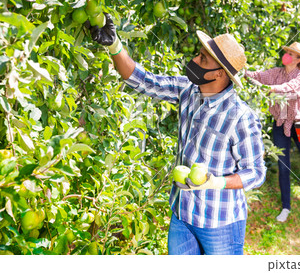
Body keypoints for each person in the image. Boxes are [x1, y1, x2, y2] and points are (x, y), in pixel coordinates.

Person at [85, 14, 266, 254]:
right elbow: (142, 80)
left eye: (202, 58)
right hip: (183, 213)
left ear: (219, 74)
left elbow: (255, 173)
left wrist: (216, 182)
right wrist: (114, 44)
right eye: (198, 53)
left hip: (219, 223)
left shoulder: (240, 116)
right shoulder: (188, 91)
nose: (194, 59)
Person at [245, 42, 300, 222]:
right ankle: (286, 207)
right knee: (283, 166)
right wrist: (242, 72)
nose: (288, 56)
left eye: (292, 54)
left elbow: (289, 87)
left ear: (299, 59)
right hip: (280, 122)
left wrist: (272, 89)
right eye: (288, 53)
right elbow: (258, 76)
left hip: (299, 124)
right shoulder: (276, 72)